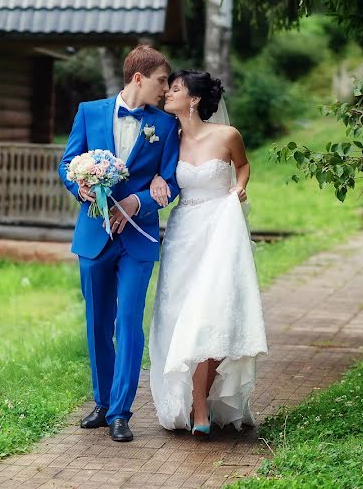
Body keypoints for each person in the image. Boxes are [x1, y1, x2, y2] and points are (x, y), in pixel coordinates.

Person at [57, 45, 180, 442]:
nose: (166, 89)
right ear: (139, 78)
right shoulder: (89, 112)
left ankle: (121, 412)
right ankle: (101, 401)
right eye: (162, 80)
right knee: (97, 323)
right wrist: (81, 187)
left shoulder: (164, 126)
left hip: (138, 237)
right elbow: (67, 162)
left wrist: (136, 201)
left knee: (128, 320)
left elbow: (172, 181)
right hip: (94, 236)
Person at [147, 69, 268, 437]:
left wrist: (239, 188)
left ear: (194, 99)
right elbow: (160, 175)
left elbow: (243, 166)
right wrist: (154, 180)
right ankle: (191, 399)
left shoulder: (228, 135)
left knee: (213, 315)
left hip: (221, 231)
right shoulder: (170, 137)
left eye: (177, 89)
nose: (168, 93)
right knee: (179, 317)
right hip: (184, 234)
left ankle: (201, 404)